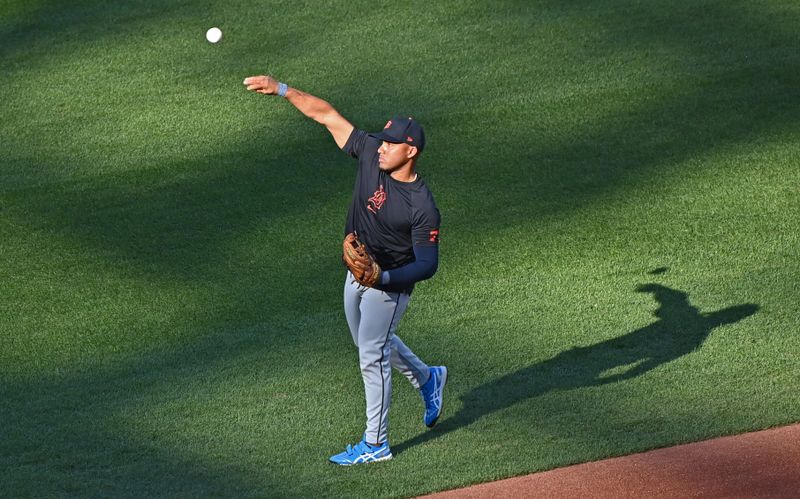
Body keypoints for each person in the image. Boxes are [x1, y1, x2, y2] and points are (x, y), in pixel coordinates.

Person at [243, 75, 448, 465]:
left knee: (371, 355)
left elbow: (427, 264)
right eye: (383, 140)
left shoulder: (422, 206)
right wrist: (283, 89)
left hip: (390, 287)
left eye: (391, 144)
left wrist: (383, 278)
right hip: (355, 273)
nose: (382, 147)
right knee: (369, 344)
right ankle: (428, 378)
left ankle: (376, 444)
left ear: (412, 151)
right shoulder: (371, 153)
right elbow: (327, 116)